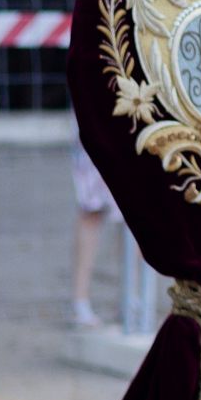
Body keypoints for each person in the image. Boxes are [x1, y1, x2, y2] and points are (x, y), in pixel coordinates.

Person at [71, 120, 120, 329]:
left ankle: (130, 297)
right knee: (91, 208)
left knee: (135, 213)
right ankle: (80, 300)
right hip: (95, 115)